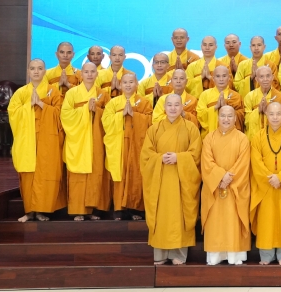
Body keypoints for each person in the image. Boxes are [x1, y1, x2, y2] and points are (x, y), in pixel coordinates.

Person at [140, 94, 202, 265]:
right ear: (164, 108)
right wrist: (159, 159)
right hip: (160, 181)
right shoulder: (154, 129)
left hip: (182, 181)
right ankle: (160, 254)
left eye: (177, 105)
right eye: (170, 105)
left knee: (180, 216)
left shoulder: (191, 128)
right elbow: (146, 156)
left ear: (182, 107)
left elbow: (196, 155)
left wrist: (179, 158)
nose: (173, 108)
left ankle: (179, 255)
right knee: (161, 216)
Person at [8, 59, 66, 222]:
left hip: (47, 140)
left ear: (44, 71)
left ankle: (42, 211)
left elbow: (60, 114)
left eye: (40, 68)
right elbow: (12, 113)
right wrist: (28, 107)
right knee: (28, 175)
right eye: (32, 68)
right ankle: (29, 211)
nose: (36, 71)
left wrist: (41, 104)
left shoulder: (52, 91)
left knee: (45, 174)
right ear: (28, 71)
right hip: (27, 139)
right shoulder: (21, 93)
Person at [200, 105, 251, 265]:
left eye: (230, 116)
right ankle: (215, 256)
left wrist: (228, 178)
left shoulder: (242, 138)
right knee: (215, 223)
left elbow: (243, 163)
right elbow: (206, 162)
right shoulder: (209, 138)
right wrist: (220, 177)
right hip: (215, 188)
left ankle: (234, 256)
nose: (226, 119)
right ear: (218, 117)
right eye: (223, 116)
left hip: (235, 188)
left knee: (233, 223)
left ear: (235, 119)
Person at [250, 102, 281, 265]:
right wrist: (270, 178)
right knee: (266, 221)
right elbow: (256, 162)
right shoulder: (258, 137)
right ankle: (266, 256)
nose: (275, 117)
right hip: (266, 186)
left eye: (278, 114)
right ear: (266, 115)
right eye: (272, 114)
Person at [61, 62, 110, 220]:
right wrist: (84, 110)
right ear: (81, 74)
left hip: (96, 139)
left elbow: (109, 117)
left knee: (95, 173)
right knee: (78, 176)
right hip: (78, 139)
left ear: (97, 74)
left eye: (92, 71)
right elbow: (65, 115)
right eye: (86, 71)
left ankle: (92, 210)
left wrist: (97, 110)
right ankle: (78, 211)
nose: (89, 74)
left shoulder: (103, 94)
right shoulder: (72, 93)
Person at [102, 73, 153, 220]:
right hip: (119, 143)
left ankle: (135, 208)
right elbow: (106, 121)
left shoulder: (144, 102)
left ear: (137, 84)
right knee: (120, 175)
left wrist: (135, 116)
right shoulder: (113, 103)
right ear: (120, 85)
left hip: (137, 143)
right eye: (125, 82)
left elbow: (151, 121)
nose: (128, 85)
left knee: (136, 174)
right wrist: (121, 115)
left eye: (132, 82)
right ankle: (118, 209)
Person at [196, 65, 244, 136]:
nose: (221, 79)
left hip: (230, 136)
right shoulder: (205, 94)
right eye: (218, 76)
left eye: (224, 76)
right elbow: (200, 115)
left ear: (229, 78)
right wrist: (215, 107)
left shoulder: (236, 96)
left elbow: (241, 116)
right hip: (209, 136)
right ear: (213, 78)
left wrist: (226, 108)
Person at [243, 66, 281, 138]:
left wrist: (268, 111)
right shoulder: (250, 96)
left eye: (268, 76)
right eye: (261, 77)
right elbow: (246, 121)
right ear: (257, 79)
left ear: (272, 77)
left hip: (273, 137)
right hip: (254, 137)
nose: (265, 79)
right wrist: (258, 111)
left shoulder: (280, 97)